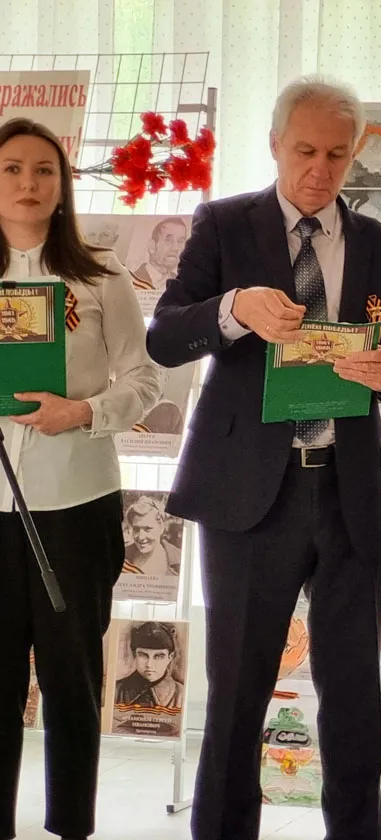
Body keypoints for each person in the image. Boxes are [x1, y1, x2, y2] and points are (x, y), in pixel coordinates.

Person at [145, 75, 381, 840]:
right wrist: (233, 310)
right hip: (248, 500)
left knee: (354, 699)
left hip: (349, 495)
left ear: (355, 153)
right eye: (304, 151)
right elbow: (165, 336)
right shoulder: (223, 226)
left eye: (336, 154)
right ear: (274, 144)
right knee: (237, 694)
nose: (319, 170)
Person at [0, 118, 160, 840]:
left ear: (63, 185)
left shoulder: (98, 272)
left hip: (77, 502)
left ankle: (71, 826)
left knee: (71, 681)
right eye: (11, 169)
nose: (28, 183)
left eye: (43, 170)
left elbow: (144, 379)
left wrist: (84, 412)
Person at [112, 621, 185, 738]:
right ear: (134, 654)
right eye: (143, 655)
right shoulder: (114, 690)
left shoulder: (181, 694)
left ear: (170, 657)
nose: (149, 664)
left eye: (159, 656)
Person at [122, 495, 182, 577]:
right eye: (136, 529)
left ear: (161, 528)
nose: (141, 537)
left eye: (148, 529)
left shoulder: (179, 559)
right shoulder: (122, 557)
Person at [131, 216, 188, 290]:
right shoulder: (131, 281)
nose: (176, 248)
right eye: (168, 240)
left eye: (180, 241)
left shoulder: (183, 283)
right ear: (152, 246)